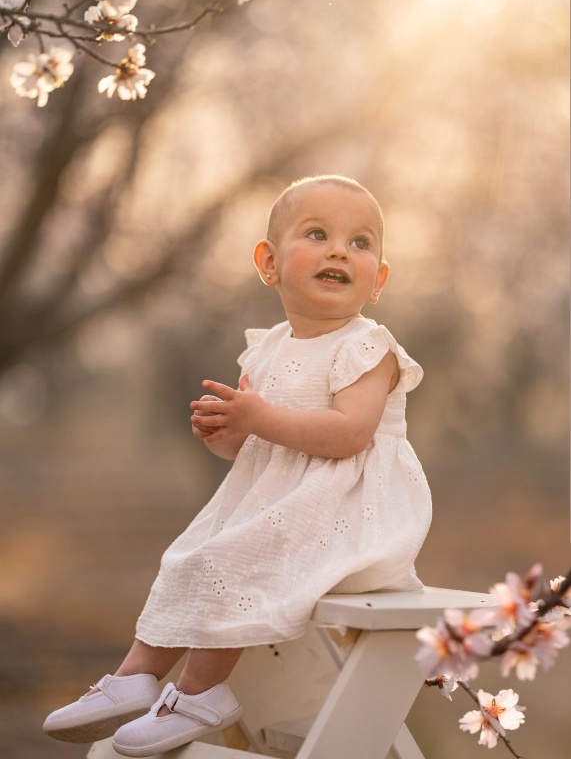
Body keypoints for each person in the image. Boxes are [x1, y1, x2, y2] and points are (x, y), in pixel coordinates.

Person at [43, 175, 432, 757]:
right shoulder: (270, 346)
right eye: (318, 234)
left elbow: (350, 435)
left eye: (360, 242)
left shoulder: (367, 347)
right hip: (282, 502)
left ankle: (202, 692)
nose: (338, 251)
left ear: (376, 280)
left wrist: (259, 417)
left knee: (237, 552)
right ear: (269, 263)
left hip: (355, 510)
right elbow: (255, 447)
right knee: (191, 553)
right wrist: (228, 433)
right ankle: (133, 677)